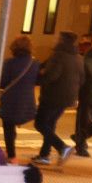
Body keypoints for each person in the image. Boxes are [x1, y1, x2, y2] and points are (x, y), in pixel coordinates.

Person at [33, 31, 83, 165]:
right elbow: (82, 78)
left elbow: (51, 76)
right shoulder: (78, 57)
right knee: (50, 124)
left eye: (57, 38)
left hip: (52, 96)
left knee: (40, 124)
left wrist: (39, 77)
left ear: (62, 41)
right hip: (68, 98)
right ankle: (44, 155)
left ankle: (62, 147)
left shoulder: (58, 56)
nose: (54, 40)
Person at [0, 35, 39, 161]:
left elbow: (2, 82)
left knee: (8, 127)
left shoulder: (9, 63)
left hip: (10, 99)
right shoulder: (35, 63)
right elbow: (38, 80)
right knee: (14, 124)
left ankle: (11, 155)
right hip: (27, 99)